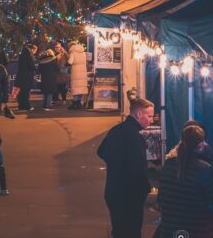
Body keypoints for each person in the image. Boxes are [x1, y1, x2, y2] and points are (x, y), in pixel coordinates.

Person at [97, 98, 154, 238]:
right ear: (139, 114)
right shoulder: (135, 137)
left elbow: (101, 151)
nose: (151, 120)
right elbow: (138, 169)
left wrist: (115, 163)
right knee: (131, 231)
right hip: (129, 195)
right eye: (150, 116)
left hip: (113, 191)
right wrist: (146, 187)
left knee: (118, 230)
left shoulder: (116, 130)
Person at [157, 124, 213, 237]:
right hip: (196, 230)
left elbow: (161, 198)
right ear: (201, 144)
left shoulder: (168, 164)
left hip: (169, 229)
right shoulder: (204, 169)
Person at [15, 43, 37, 111]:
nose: (35, 52)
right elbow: (31, 66)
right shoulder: (29, 55)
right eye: (35, 50)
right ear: (32, 49)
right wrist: (35, 67)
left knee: (21, 92)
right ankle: (27, 106)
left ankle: (21, 106)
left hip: (21, 76)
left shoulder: (22, 54)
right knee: (26, 92)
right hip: (27, 76)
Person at [67, 41, 88, 109]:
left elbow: (70, 62)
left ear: (71, 46)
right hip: (83, 72)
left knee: (76, 88)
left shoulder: (73, 53)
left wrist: (66, 64)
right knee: (81, 88)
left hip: (76, 73)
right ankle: (79, 103)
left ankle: (75, 103)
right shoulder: (83, 53)